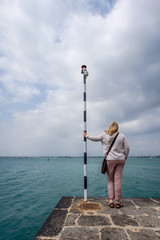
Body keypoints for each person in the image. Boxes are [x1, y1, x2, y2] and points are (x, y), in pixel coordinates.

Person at [83, 121, 130, 208]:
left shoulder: (104, 135)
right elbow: (127, 148)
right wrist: (125, 157)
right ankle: (118, 202)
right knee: (118, 179)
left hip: (110, 160)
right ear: (117, 128)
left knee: (110, 180)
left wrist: (86, 136)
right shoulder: (122, 136)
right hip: (121, 159)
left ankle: (111, 201)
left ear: (109, 127)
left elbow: (95, 138)